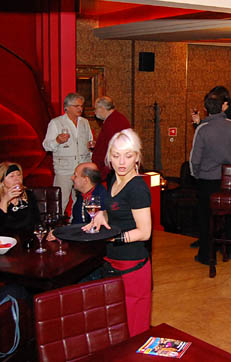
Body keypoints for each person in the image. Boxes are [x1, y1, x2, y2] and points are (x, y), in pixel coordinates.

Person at [84, 128, 152, 337]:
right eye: (116, 156)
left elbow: (145, 232)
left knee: (134, 331)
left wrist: (113, 237)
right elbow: (113, 209)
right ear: (109, 157)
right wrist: (102, 215)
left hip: (132, 265)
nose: (122, 162)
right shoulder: (115, 178)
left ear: (137, 158)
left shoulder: (137, 188)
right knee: (115, 328)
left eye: (128, 156)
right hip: (112, 262)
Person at [189, 91, 231, 264]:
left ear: (206, 109)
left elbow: (195, 159)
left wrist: (196, 175)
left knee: (206, 217)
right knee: (228, 214)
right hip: (227, 179)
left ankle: (206, 255)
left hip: (207, 179)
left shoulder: (203, 129)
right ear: (222, 106)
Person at [42, 92, 93, 212]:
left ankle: (76, 221)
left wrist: (91, 146)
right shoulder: (56, 122)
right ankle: (57, 222)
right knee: (60, 201)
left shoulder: (84, 122)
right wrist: (57, 141)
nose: (80, 109)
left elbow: (89, 141)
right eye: (76, 106)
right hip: (64, 169)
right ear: (67, 107)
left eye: (81, 106)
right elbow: (46, 146)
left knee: (81, 201)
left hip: (82, 169)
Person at [191, 85, 231, 164]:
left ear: (225, 102)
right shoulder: (219, 116)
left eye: (216, 101)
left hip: (230, 163)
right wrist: (198, 123)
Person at [0, 162, 40, 237]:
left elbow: (37, 222)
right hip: (5, 241)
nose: (17, 179)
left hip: (28, 240)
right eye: (11, 176)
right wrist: (4, 201)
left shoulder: (28, 195)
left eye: (19, 175)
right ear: (1, 181)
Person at [91, 96, 131, 180]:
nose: (94, 112)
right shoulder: (117, 118)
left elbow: (111, 147)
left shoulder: (112, 122)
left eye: (95, 109)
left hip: (112, 168)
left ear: (102, 108)